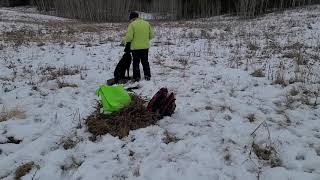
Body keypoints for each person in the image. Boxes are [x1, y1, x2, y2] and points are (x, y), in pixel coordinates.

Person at [123, 11, 154, 82]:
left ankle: (137, 77)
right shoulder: (147, 23)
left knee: (136, 62)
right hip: (145, 47)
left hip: (135, 48)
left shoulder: (132, 24)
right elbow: (152, 35)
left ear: (132, 18)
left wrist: (124, 40)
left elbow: (129, 37)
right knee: (145, 61)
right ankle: (147, 75)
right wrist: (145, 40)